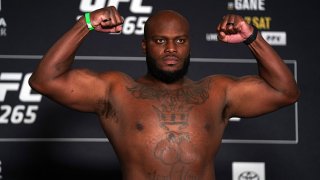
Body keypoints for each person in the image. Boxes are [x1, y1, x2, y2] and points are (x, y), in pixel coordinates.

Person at [29, 6, 300, 180]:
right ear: (144, 46)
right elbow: (44, 80)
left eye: (179, 41)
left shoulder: (216, 92)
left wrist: (251, 37)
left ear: (189, 46)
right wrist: (85, 23)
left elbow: (286, 92)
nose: (171, 49)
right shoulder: (117, 90)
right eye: (160, 41)